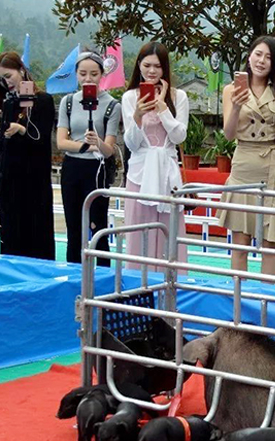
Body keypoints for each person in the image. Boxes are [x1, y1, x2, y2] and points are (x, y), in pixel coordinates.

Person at [218, 36, 275, 275]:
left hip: (272, 167)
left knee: (270, 246)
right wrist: (236, 106)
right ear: (249, 56)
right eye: (258, 54)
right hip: (243, 166)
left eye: (268, 57)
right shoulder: (231, 90)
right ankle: (239, 295)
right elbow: (228, 134)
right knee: (240, 245)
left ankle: (266, 295)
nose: (261, 61)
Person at [120, 42, 190, 271]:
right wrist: (138, 115)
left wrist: (162, 109)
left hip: (168, 174)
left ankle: (171, 283)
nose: (152, 71)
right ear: (139, 65)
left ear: (165, 68)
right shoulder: (130, 97)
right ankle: (138, 283)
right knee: (138, 233)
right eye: (147, 65)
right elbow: (132, 143)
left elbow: (179, 136)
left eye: (157, 66)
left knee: (169, 233)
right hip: (140, 174)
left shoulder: (179, 97)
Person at [0, 52, 55, 260]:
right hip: (10, 182)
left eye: (8, 76)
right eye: (1, 79)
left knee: (36, 235)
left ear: (22, 71)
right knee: (11, 237)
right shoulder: (8, 103)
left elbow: (41, 138)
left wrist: (22, 129)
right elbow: (0, 146)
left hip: (34, 182)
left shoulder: (43, 100)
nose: (6, 82)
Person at [57, 51, 122, 266]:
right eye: (83, 73)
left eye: (94, 74)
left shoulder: (112, 105)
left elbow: (109, 149)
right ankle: (74, 274)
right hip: (72, 167)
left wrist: (98, 143)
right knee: (74, 227)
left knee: (97, 226)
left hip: (97, 169)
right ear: (76, 74)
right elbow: (61, 142)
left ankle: (103, 276)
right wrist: (87, 146)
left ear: (102, 74)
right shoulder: (68, 102)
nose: (88, 79)